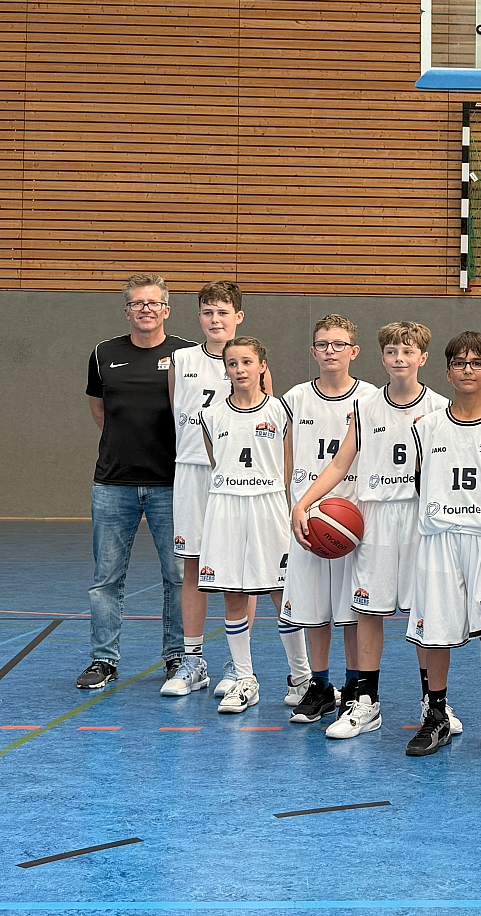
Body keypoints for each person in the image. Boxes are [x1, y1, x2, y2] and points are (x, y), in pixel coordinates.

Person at [292, 322, 447, 741]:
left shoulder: (439, 407)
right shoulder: (364, 407)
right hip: (375, 516)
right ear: (381, 357)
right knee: (368, 610)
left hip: (419, 517)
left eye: (408, 351)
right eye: (392, 351)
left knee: (424, 612)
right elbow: (340, 464)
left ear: (423, 357)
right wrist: (304, 502)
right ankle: (366, 700)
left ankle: (433, 703)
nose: (399, 358)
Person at [163, 281, 280, 699]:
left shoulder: (253, 361)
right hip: (193, 470)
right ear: (199, 316)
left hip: (240, 479)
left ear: (238, 317)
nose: (215, 320)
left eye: (223, 312)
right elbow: (178, 415)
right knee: (192, 566)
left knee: (244, 571)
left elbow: (268, 422)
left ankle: (237, 665)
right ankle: (193, 660)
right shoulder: (181, 360)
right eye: (208, 312)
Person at [405, 331, 481, 758]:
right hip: (439, 540)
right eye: (459, 363)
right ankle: (435, 715)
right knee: (435, 633)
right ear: (448, 371)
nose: (467, 370)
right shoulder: (426, 426)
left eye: (476, 363)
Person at [78, 275, 194, 690]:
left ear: (166, 310)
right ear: (127, 311)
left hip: (172, 484)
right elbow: (100, 410)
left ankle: (178, 657)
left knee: (177, 577)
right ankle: (104, 660)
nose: (146, 309)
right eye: (137, 303)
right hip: (113, 484)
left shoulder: (187, 354)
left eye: (153, 303)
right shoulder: (103, 353)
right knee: (106, 579)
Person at [280, 315, 379, 724]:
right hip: (308, 516)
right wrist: (293, 505)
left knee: (353, 610)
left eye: (339, 344)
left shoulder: (370, 398)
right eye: (322, 344)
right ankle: (319, 685)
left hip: (351, 518)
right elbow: (286, 458)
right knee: (313, 608)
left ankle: (355, 684)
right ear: (313, 351)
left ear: (354, 351)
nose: (330, 351)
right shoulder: (295, 398)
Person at [196, 337, 297, 714]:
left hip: (269, 505)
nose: (239, 369)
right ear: (225, 369)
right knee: (233, 595)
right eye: (232, 363)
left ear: (262, 366)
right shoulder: (211, 415)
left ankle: (301, 678)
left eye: (247, 362)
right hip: (226, 506)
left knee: (283, 595)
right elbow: (216, 463)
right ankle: (244, 679)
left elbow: (288, 467)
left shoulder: (281, 410)